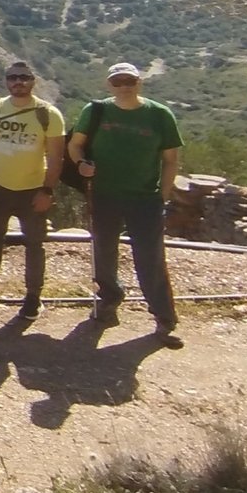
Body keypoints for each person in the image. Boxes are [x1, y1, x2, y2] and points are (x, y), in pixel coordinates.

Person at [69, 62, 184, 348]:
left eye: (129, 81)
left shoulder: (159, 115)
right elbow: (75, 144)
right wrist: (81, 163)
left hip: (145, 198)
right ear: (109, 85)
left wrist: (162, 196)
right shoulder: (96, 111)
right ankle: (108, 300)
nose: (123, 87)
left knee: (150, 258)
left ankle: (164, 318)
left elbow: (171, 160)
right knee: (103, 252)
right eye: (117, 82)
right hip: (103, 195)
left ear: (138, 83)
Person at [0, 61, 64, 319]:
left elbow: (56, 157)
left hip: (32, 190)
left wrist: (47, 191)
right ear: (6, 81)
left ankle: (33, 296)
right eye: (13, 77)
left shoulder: (48, 114)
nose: (18, 82)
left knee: (34, 244)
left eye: (24, 77)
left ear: (33, 80)